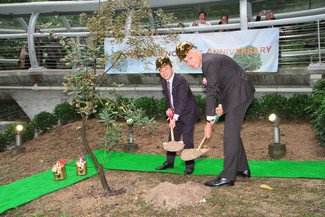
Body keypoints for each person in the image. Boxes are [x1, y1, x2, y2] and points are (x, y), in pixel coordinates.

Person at [176, 41, 255, 187]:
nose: (189, 63)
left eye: (190, 58)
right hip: (235, 94)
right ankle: (242, 168)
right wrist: (223, 106)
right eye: (186, 61)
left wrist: (209, 122)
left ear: (195, 52)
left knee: (229, 135)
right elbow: (222, 85)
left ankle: (228, 177)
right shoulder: (207, 63)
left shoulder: (209, 62)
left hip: (240, 94)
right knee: (233, 133)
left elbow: (211, 92)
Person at [155, 56, 200, 175]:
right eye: (161, 70)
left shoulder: (180, 80)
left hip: (188, 113)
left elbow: (182, 100)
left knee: (187, 140)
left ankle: (189, 165)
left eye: (166, 68)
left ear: (171, 67)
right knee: (172, 138)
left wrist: (174, 117)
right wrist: (170, 108)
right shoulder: (164, 81)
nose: (164, 72)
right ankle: (169, 162)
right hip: (177, 113)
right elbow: (170, 97)